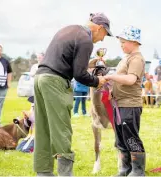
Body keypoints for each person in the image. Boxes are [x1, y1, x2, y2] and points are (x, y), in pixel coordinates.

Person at [33, 12, 112, 176]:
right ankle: (65, 174)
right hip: (55, 81)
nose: (103, 39)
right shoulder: (85, 39)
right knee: (62, 130)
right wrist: (98, 81)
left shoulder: (68, 30)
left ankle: (44, 172)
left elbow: (68, 60)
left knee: (43, 128)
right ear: (99, 28)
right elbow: (80, 74)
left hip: (40, 78)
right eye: (105, 34)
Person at [104, 25, 146, 176]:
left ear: (134, 42)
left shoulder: (136, 59)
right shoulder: (126, 58)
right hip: (119, 105)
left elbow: (130, 79)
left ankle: (137, 171)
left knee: (131, 138)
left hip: (129, 105)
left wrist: (111, 77)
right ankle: (125, 169)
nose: (121, 45)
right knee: (121, 139)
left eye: (124, 42)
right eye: (120, 42)